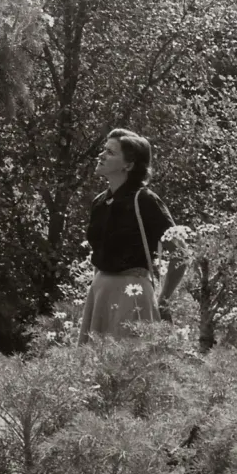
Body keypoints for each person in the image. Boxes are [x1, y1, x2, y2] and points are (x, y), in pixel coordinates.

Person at [77, 128, 185, 344]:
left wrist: (163, 300)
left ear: (129, 164)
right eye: (104, 149)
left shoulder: (145, 201)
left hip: (132, 295)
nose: (101, 155)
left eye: (110, 152)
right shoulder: (99, 203)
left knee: (131, 366)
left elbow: (180, 254)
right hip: (99, 293)